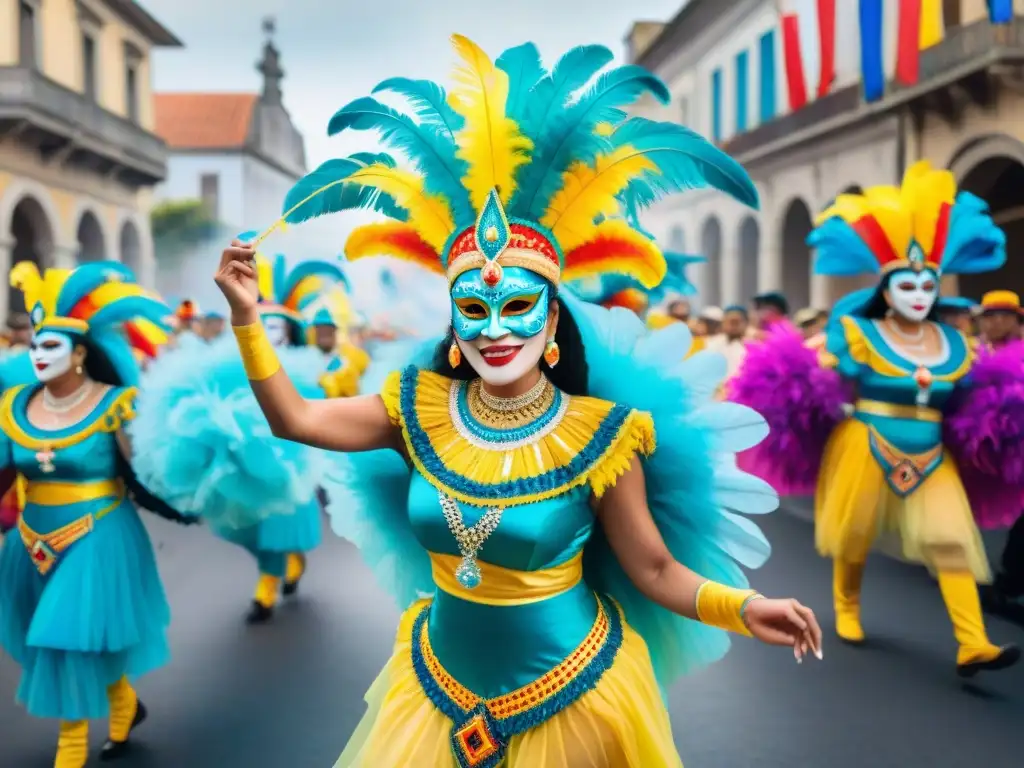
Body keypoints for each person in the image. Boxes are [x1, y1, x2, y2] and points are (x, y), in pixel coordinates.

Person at [218, 35, 822, 767]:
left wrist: (744, 606)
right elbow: (298, 418)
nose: (496, 329)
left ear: (553, 319)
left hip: (570, 700)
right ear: (452, 322)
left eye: (518, 307)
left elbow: (655, 569)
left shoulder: (604, 435)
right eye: (473, 308)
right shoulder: (419, 409)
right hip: (436, 694)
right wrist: (248, 319)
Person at [730, 162, 1021, 677]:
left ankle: (973, 643)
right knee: (854, 531)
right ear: (886, 290)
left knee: (951, 539)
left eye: (927, 284)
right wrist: (798, 378)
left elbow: (969, 403)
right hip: (866, 442)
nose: (918, 294)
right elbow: (818, 376)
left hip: (932, 451)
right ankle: (845, 605)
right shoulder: (859, 334)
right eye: (907, 284)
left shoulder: (956, 343)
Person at [0, 261, 198, 767]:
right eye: (34, 345)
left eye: (51, 346)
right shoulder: (14, 405)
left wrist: (193, 499)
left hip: (98, 536)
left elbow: (145, 475)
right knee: (85, 637)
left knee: (68, 641)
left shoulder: (116, 404)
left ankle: (70, 750)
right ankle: (124, 706)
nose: (38, 354)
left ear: (80, 353)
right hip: (30, 542)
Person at [133, 252, 353, 624]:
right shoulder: (237, 369)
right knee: (246, 526)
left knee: (280, 522)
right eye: (263, 328)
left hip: (293, 460)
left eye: (277, 330)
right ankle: (288, 560)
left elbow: (325, 415)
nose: (270, 336)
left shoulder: (312, 371)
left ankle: (268, 584)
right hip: (249, 463)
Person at [975, 290, 1024, 622]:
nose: (998, 321)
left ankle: (1007, 583)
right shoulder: (970, 354)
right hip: (976, 449)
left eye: (1005, 315)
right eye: (991, 315)